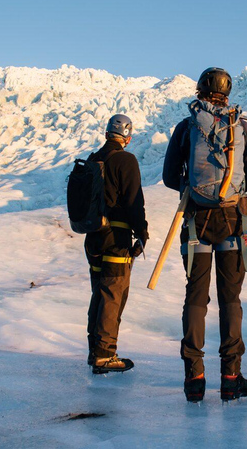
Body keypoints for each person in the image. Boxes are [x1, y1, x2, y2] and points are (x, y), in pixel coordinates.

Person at [163, 67, 247, 402]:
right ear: (227, 93)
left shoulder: (187, 126)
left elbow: (167, 176)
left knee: (196, 298)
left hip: (197, 223)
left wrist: (192, 187)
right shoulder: (241, 128)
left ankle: (195, 377)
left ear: (200, 91)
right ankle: (231, 377)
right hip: (233, 221)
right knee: (230, 300)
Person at [85, 114, 149, 374]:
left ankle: (95, 350)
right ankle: (105, 354)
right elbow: (134, 200)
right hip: (117, 238)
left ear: (106, 134)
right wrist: (142, 233)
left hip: (93, 239)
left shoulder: (92, 160)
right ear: (128, 137)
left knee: (99, 295)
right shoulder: (126, 160)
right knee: (113, 294)